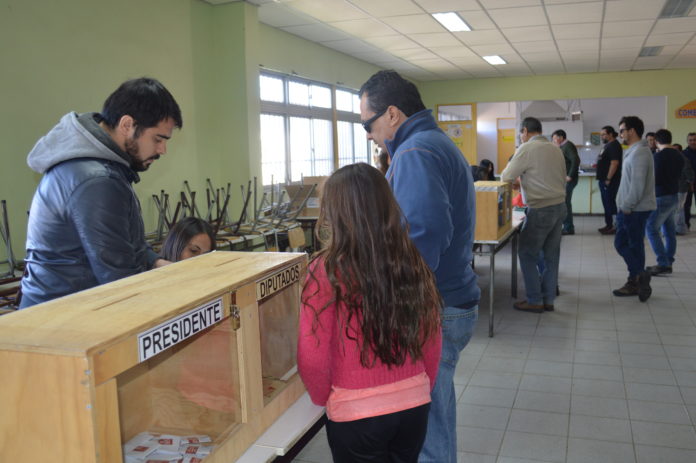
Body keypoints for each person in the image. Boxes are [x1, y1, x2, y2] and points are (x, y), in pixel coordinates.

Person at [358, 70, 479, 463]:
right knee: (436, 413)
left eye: (368, 124)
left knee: (427, 426)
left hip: (434, 306)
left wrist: (392, 300)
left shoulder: (414, 153)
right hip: (452, 298)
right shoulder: (434, 143)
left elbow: (423, 233)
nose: (369, 135)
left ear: (392, 114)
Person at [298, 163, 442, 463]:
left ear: (334, 213)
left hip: (357, 415)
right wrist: (421, 385)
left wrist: (324, 397)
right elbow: (431, 336)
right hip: (414, 406)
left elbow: (312, 354)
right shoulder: (411, 261)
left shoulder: (324, 270)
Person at [19, 77, 182, 308]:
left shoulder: (98, 169)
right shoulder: (97, 180)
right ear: (127, 125)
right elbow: (119, 280)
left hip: (65, 311)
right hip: (62, 322)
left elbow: (123, 246)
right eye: (158, 139)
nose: (162, 150)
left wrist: (158, 264)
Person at [502, 117, 566, 313]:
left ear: (524, 131)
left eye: (521, 134)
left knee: (527, 253)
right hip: (559, 207)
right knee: (551, 256)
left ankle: (534, 300)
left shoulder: (527, 148)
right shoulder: (556, 148)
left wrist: (519, 183)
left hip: (540, 209)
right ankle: (548, 300)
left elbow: (506, 176)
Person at [612, 116, 656, 301]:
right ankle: (636, 280)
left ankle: (638, 276)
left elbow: (637, 185)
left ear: (632, 131)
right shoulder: (633, 150)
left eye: (622, 130)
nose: (620, 133)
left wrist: (627, 206)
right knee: (633, 245)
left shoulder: (640, 153)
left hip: (634, 209)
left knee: (623, 243)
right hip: (631, 207)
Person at [646, 129, 684, 276]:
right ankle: (668, 261)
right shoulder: (678, 155)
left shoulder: (658, 156)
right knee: (669, 231)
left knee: (650, 228)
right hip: (674, 196)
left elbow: (655, 179)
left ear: (656, 141)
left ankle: (662, 263)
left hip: (661, 197)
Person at [552, 129, 580, 235]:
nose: (554, 140)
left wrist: (570, 176)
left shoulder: (568, 145)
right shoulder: (563, 146)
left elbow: (576, 160)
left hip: (569, 179)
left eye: (555, 138)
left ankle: (569, 228)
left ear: (561, 137)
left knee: (565, 203)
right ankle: (567, 226)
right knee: (564, 203)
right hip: (564, 179)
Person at [596, 126, 623, 234]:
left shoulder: (614, 146)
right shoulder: (608, 145)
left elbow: (614, 163)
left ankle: (615, 226)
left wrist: (608, 178)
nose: (602, 136)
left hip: (610, 180)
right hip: (604, 180)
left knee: (609, 203)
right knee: (607, 203)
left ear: (611, 134)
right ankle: (609, 224)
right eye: (601, 134)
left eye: (604, 134)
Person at [673, 143, 694, 235]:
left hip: (681, 188)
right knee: (680, 209)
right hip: (677, 188)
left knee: (678, 209)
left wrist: (690, 182)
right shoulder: (675, 160)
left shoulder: (683, 160)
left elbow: (690, 175)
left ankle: (679, 228)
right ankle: (681, 228)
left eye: (675, 150)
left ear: (680, 151)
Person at [683, 133, 696, 230]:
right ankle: (686, 224)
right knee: (687, 205)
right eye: (690, 140)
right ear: (687, 141)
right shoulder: (683, 153)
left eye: (694, 139)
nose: (693, 142)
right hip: (688, 184)